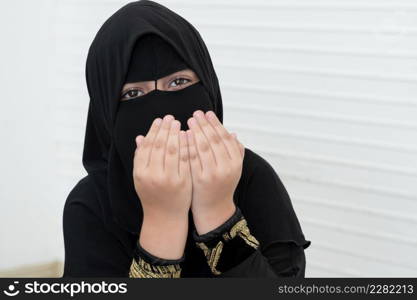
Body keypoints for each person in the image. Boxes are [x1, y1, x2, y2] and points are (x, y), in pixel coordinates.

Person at [62, 0, 311, 278]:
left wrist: (218, 213)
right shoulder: (91, 204)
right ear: (106, 115)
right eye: (133, 94)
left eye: (178, 82)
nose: (162, 114)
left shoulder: (251, 176)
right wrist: (163, 219)